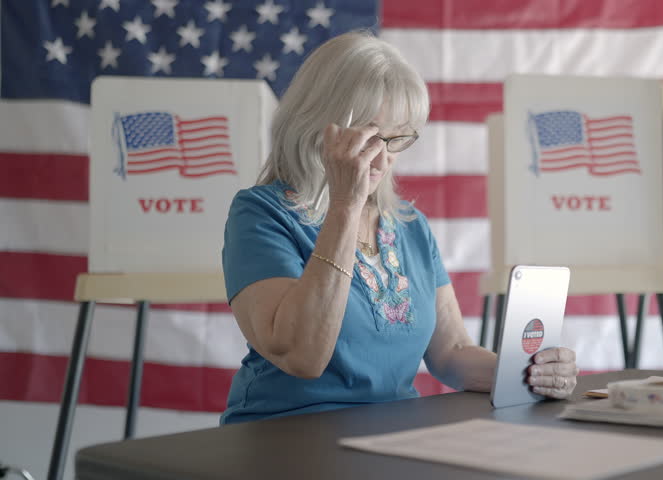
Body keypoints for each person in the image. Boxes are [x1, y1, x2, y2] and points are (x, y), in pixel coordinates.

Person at [220, 30, 579, 424]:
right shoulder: (260, 213)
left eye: (397, 139)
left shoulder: (409, 225)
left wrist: (529, 375)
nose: (383, 159)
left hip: (392, 430)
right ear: (316, 127)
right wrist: (345, 203)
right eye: (371, 138)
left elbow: (452, 351)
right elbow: (302, 356)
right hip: (288, 432)